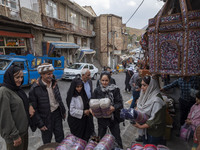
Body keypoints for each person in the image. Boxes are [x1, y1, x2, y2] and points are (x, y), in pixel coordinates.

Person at [29, 63, 66, 144]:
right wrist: (40, 124)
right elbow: (34, 109)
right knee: (47, 141)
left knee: (60, 138)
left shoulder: (54, 84)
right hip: (45, 118)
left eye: (52, 73)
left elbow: (59, 99)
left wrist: (63, 111)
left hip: (57, 114)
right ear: (41, 74)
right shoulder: (35, 88)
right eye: (48, 74)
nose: (51, 76)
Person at [91, 72, 124, 148]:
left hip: (113, 119)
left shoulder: (115, 90)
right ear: (100, 80)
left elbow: (120, 103)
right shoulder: (97, 90)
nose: (104, 82)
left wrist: (114, 107)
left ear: (109, 80)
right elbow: (92, 101)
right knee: (101, 138)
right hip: (102, 119)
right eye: (102, 80)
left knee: (117, 137)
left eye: (106, 80)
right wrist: (92, 109)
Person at [0, 65, 29, 150]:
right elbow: (5, 117)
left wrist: (30, 106)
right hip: (14, 137)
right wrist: (14, 136)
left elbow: (23, 102)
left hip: (23, 132)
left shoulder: (17, 89)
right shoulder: (4, 92)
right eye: (17, 77)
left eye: (21, 77)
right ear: (10, 77)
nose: (20, 80)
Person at [133, 75, 166, 145]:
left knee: (151, 146)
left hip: (154, 132)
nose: (142, 87)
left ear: (151, 86)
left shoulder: (157, 101)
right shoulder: (146, 95)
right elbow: (140, 106)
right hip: (146, 130)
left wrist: (140, 126)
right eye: (141, 85)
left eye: (144, 85)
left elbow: (154, 120)